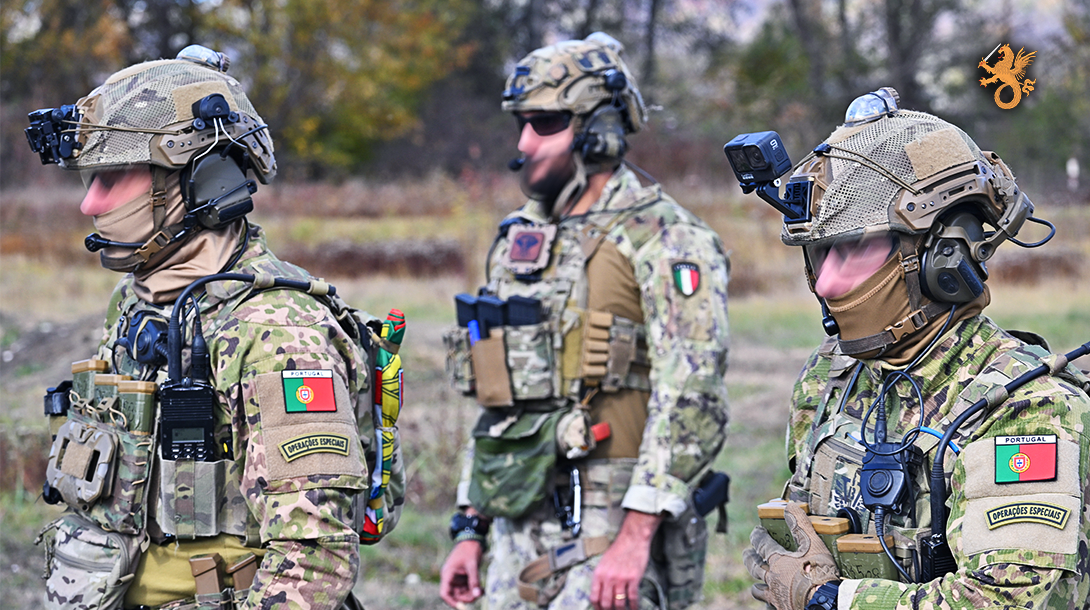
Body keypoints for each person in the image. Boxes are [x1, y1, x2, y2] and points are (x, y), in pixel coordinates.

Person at [28, 45, 404, 610]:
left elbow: (314, 560)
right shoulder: (136, 302)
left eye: (115, 175)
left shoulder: (278, 329)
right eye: (92, 178)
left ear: (203, 181)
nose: (90, 204)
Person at [739, 88, 1090, 610]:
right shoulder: (831, 375)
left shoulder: (1029, 410)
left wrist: (828, 600)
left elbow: (1009, 601)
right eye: (821, 252)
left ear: (944, 257)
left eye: (855, 248)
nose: (827, 282)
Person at [438, 33, 731, 610]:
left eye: (546, 123)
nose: (524, 143)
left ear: (599, 130)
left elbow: (693, 392)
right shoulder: (520, 238)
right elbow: (498, 395)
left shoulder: (666, 237)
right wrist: (471, 528)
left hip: (613, 523)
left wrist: (635, 537)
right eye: (521, 123)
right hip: (517, 521)